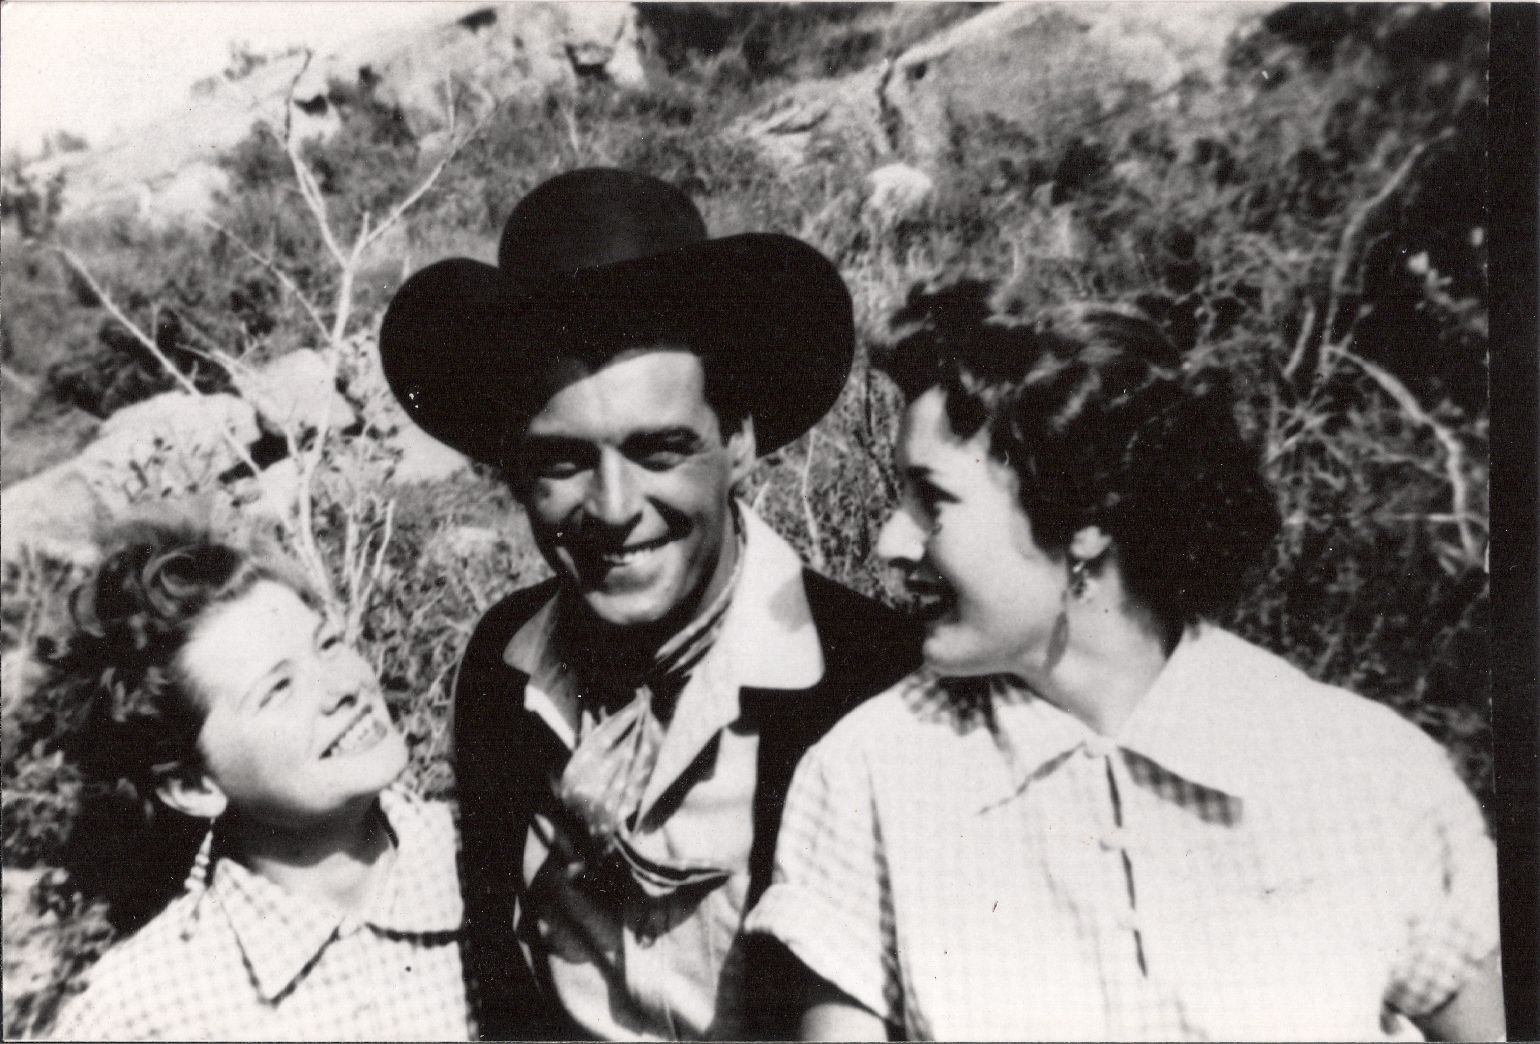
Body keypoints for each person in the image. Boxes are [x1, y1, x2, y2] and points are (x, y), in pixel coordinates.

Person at [746, 283, 1505, 1042]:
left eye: (933, 501)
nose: (892, 544)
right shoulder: (868, 775)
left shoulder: (1364, 772)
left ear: (1085, 521)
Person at [377, 167, 921, 1039]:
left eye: (660, 449)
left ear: (737, 442)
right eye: (562, 461)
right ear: (516, 473)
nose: (615, 508)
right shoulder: (502, 669)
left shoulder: (873, 679)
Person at [46, 520, 474, 1041]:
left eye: (328, 644)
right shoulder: (147, 1012)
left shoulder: (500, 859)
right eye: (278, 689)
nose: (341, 687)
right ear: (193, 786)